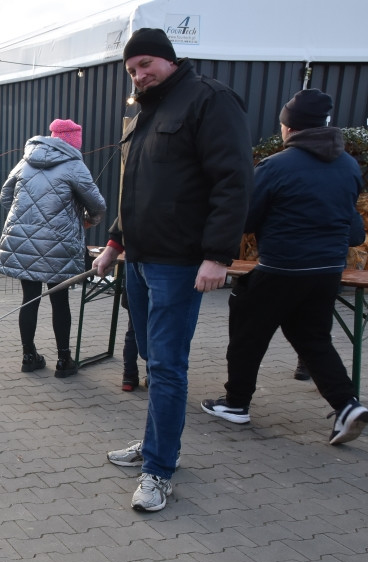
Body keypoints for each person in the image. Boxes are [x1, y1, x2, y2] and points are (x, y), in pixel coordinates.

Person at [93, 28, 253, 511]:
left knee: (167, 367)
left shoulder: (210, 101)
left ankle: (159, 470)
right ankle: (158, 443)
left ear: (168, 59)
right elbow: (137, 188)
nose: (140, 74)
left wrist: (217, 255)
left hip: (180, 264)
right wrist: (114, 244)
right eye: (132, 70)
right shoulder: (146, 110)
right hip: (139, 260)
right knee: (150, 359)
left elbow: (234, 180)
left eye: (146, 64)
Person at [201, 89, 367, 444]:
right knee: (314, 340)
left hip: (282, 269)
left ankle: (236, 403)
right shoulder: (349, 166)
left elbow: (246, 220)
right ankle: (347, 404)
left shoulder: (275, 166)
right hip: (327, 272)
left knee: (247, 333)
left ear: (289, 128)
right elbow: (354, 230)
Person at [0, 118, 107, 378]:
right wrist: (89, 220)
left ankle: (28, 356)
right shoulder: (74, 165)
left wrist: (25, 218)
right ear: (74, 143)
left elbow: (5, 196)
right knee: (60, 301)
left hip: (23, 242)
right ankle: (64, 360)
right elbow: (98, 204)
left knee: (30, 299)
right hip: (60, 245)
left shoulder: (26, 160)